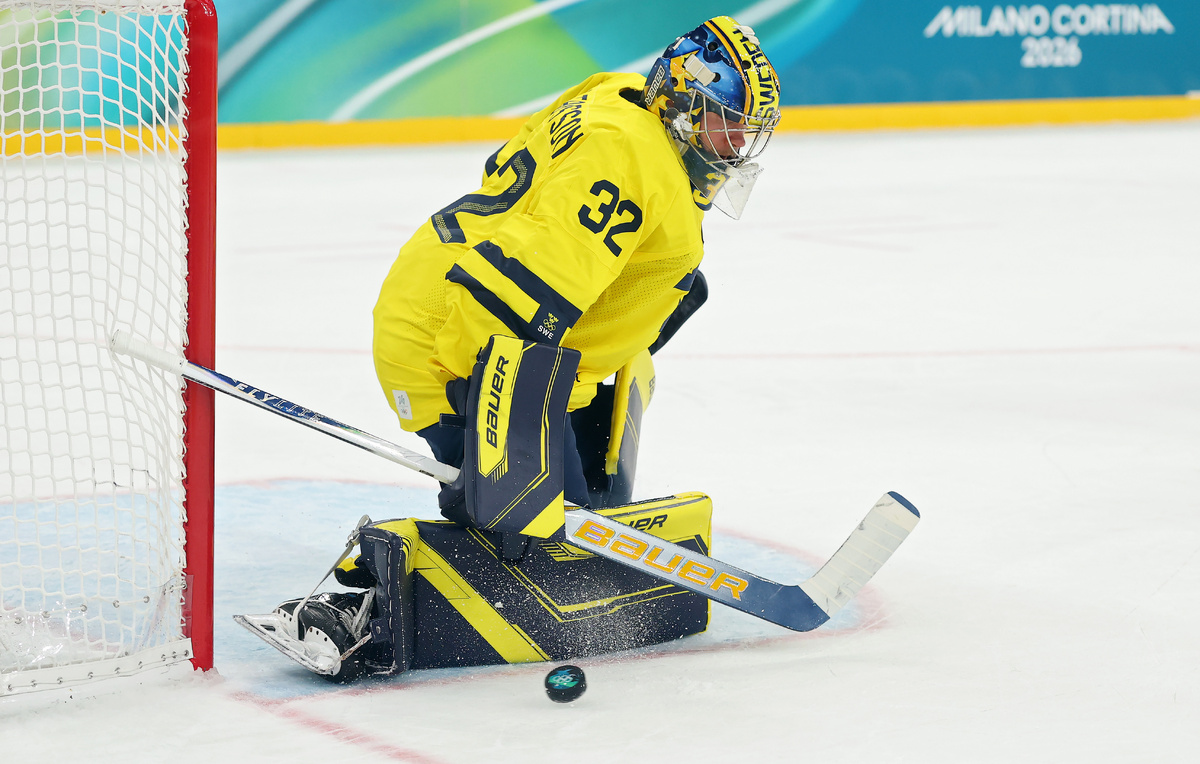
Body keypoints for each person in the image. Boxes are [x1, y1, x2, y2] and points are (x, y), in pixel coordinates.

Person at [372, 15, 781, 524]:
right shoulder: (629, 161)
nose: (740, 143)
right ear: (684, 102)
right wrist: (481, 393)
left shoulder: (622, 94)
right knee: (539, 538)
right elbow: (526, 278)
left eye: (750, 127)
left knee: (681, 291)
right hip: (453, 339)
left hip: (466, 299)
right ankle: (393, 582)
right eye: (730, 119)